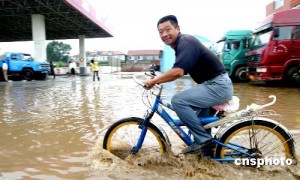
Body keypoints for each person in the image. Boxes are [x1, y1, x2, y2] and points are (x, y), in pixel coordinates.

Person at [143, 15, 233, 154]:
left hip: (217, 86)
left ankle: (203, 140)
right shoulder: (180, 46)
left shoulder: (185, 42)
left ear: (178, 28)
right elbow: (177, 70)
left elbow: (177, 72)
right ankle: (207, 154)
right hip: (213, 85)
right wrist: (158, 79)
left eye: (168, 29)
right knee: (199, 121)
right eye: (161, 32)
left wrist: (154, 81)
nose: (164, 34)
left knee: (178, 101)